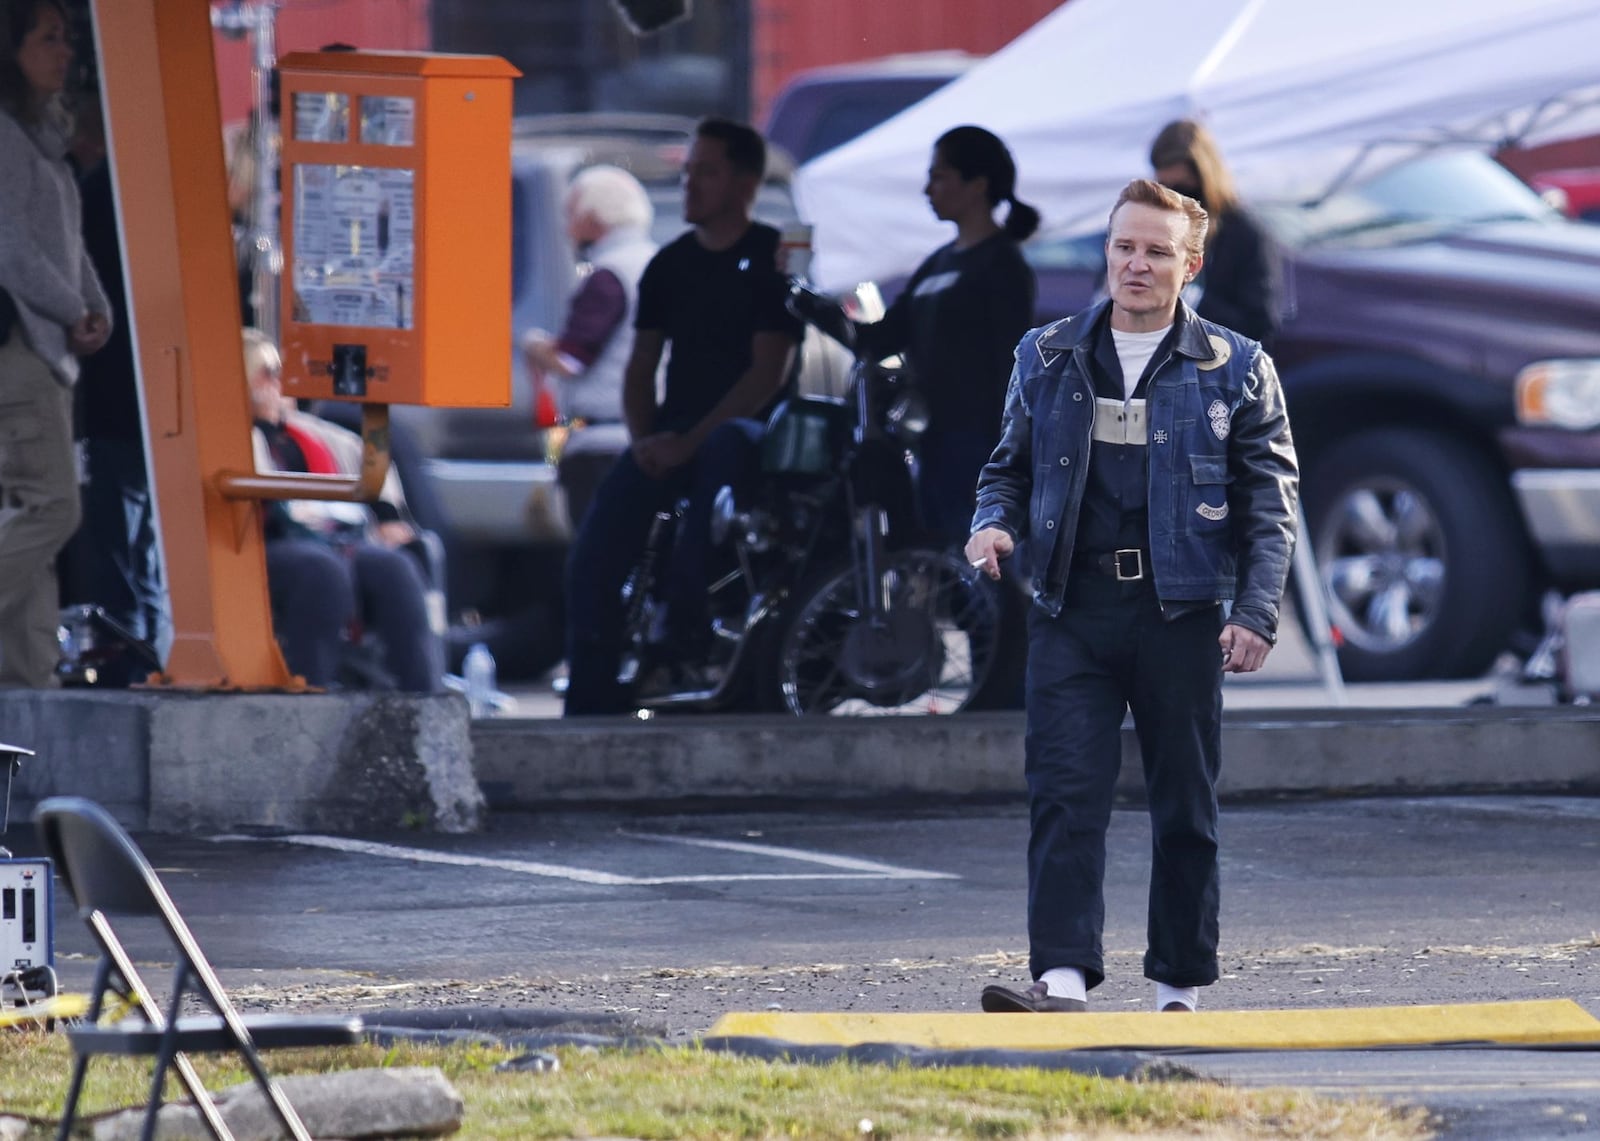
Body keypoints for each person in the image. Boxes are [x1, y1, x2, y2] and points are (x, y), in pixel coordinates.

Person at [967, 179, 1297, 1014]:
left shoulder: (1239, 367)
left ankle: (1178, 983)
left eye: (1157, 251)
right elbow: (1005, 466)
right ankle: (1064, 977)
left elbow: (1270, 507)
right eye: (1124, 247)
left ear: (1191, 264)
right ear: (1105, 252)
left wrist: (1255, 613)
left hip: (1180, 612)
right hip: (1070, 608)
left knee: (1185, 802)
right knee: (1064, 791)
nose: (1137, 265)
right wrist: (992, 526)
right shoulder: (1044, 355)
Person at [563, 118, 802, 716]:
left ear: (745, 182)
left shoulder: (771, 259)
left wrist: (688, 443)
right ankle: (592, 692)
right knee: (597, 542)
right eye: (688, 170)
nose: (690, 183)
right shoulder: (670, 263)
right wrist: (646, 440)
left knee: (727, 445)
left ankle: (684, 622)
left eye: (707, 171)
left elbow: (766, 372)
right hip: (670, 433)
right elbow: (642, 366)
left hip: (745, 435)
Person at [0, 0, 112, 688]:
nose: (64, 53)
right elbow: (12, 247)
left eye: (66, 39)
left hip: (48, 351)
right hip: (20, 351)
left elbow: (63, 241)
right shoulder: (7, 138)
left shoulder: (40, 136)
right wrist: (74, 307)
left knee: (32, 526)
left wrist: (93, 306)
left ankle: (27, 685)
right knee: (53, 508)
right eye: (48, 39)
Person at [854, 125, 1038, 541]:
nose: (927, 189)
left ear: (977, 185)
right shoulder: (938, 263)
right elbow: (882, 336)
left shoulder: (1001, 265)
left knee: (974, 563)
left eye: (939, 176)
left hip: (978, 444)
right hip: (930, 440)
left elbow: (1012, 366)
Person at [244, 329, 444, 693]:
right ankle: (309, 692)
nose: (275, 381)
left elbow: (365, 464)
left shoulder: (310, 433)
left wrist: (387, 518)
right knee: (320, 571)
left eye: (277, 371)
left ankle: (423, 697)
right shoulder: (237, 436)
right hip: (265, 544)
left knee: (396, 569)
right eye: (264, 371)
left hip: (331, 535)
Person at [59, 91, 172, 685]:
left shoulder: (98, 194)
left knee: (118, 540)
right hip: (153, 395)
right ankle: (149, 654)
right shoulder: (148, 198)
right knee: (144, 540)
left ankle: (131, 656)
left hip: (111, 396)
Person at [520, 164, 658, 530]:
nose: (567, 229)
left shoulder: (609, 276)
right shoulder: (660, 264)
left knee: (595, 567)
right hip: (655, 439)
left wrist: (533, 346)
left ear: (595, 217)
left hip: (604, 448)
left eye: (571, 216)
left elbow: (569, 360)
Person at [1148, 119, 1281, 346]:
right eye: (1165, 188)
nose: (1176, 199)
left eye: (1182, 187)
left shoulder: (1243, 233)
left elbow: (1259, 323)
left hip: (1215, 365)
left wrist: (1190, 298)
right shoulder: (1150, 224)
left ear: (1203, 177)